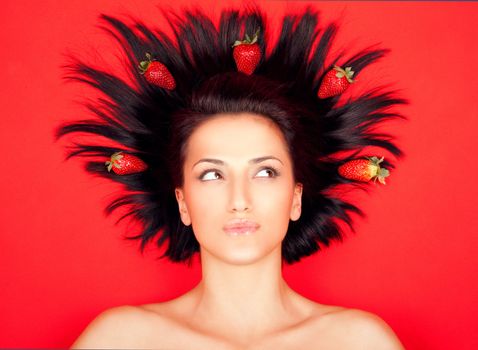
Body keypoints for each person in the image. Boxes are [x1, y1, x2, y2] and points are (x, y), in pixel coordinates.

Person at [55, 4, 406, 349]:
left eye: (265, 172)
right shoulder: (122, 339)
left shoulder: (360, 341)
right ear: (183, 203)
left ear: (296, 197)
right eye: (211, 175)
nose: (239, 200)